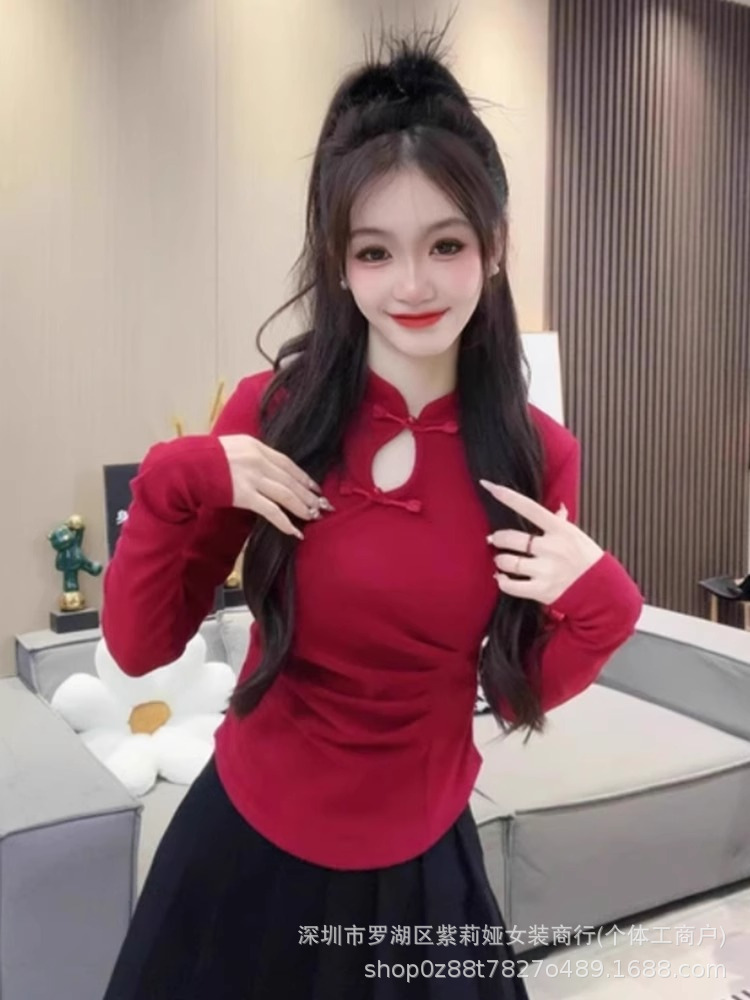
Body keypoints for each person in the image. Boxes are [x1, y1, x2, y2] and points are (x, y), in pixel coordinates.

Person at [101, 25, 643, 1000]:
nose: (413, 284)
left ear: (495, 247)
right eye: (375, 250)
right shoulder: (271, 415)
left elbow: (513, 691)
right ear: (340, 263)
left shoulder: (535, 456)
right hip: (243, 855)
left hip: (420, 876)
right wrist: (176, 477)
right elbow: (139, 648)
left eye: (447, 244)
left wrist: (607, 609)